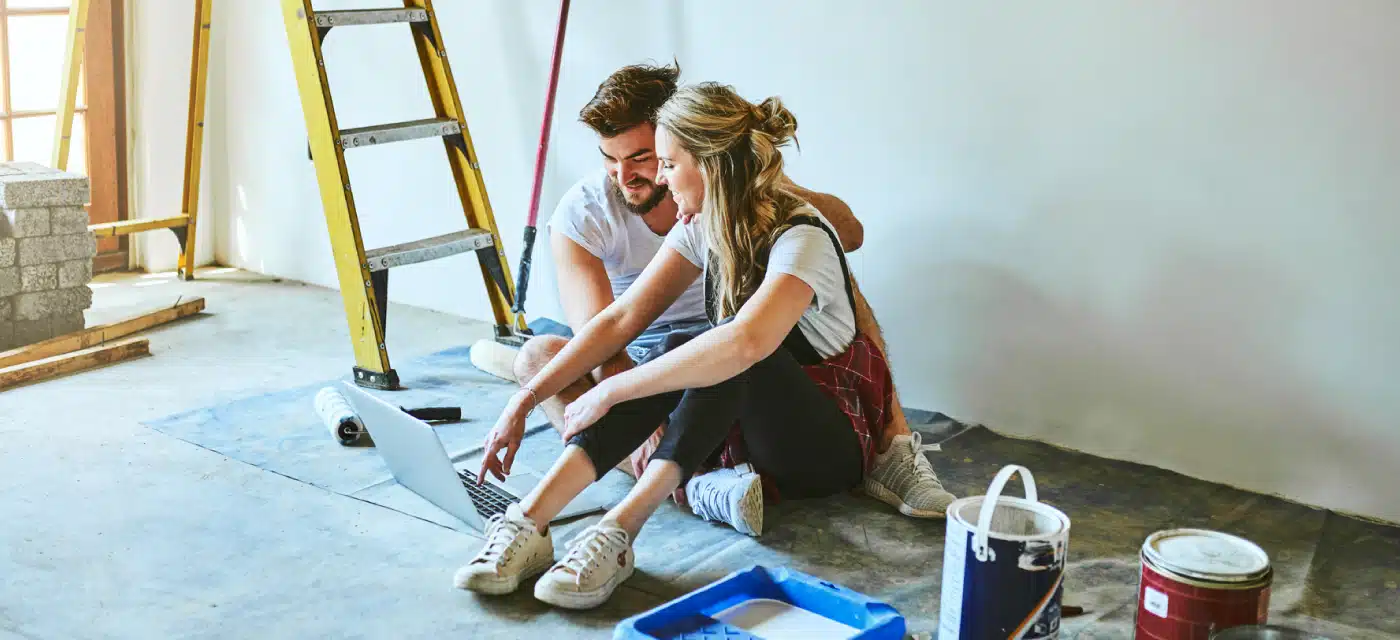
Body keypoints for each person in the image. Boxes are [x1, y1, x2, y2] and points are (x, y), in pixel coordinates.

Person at [454, 82, 954, 610]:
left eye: (668, 164)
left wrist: (612, 391)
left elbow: (747, 343)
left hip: (827, 451)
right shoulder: (704, 226)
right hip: (748, 431)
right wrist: (523, 400)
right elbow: (621, 319)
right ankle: (528, 520)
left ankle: (619, 530)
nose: (664, 181)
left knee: (724, 349)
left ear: (710, 165)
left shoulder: (800, 236)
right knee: (681, 345)